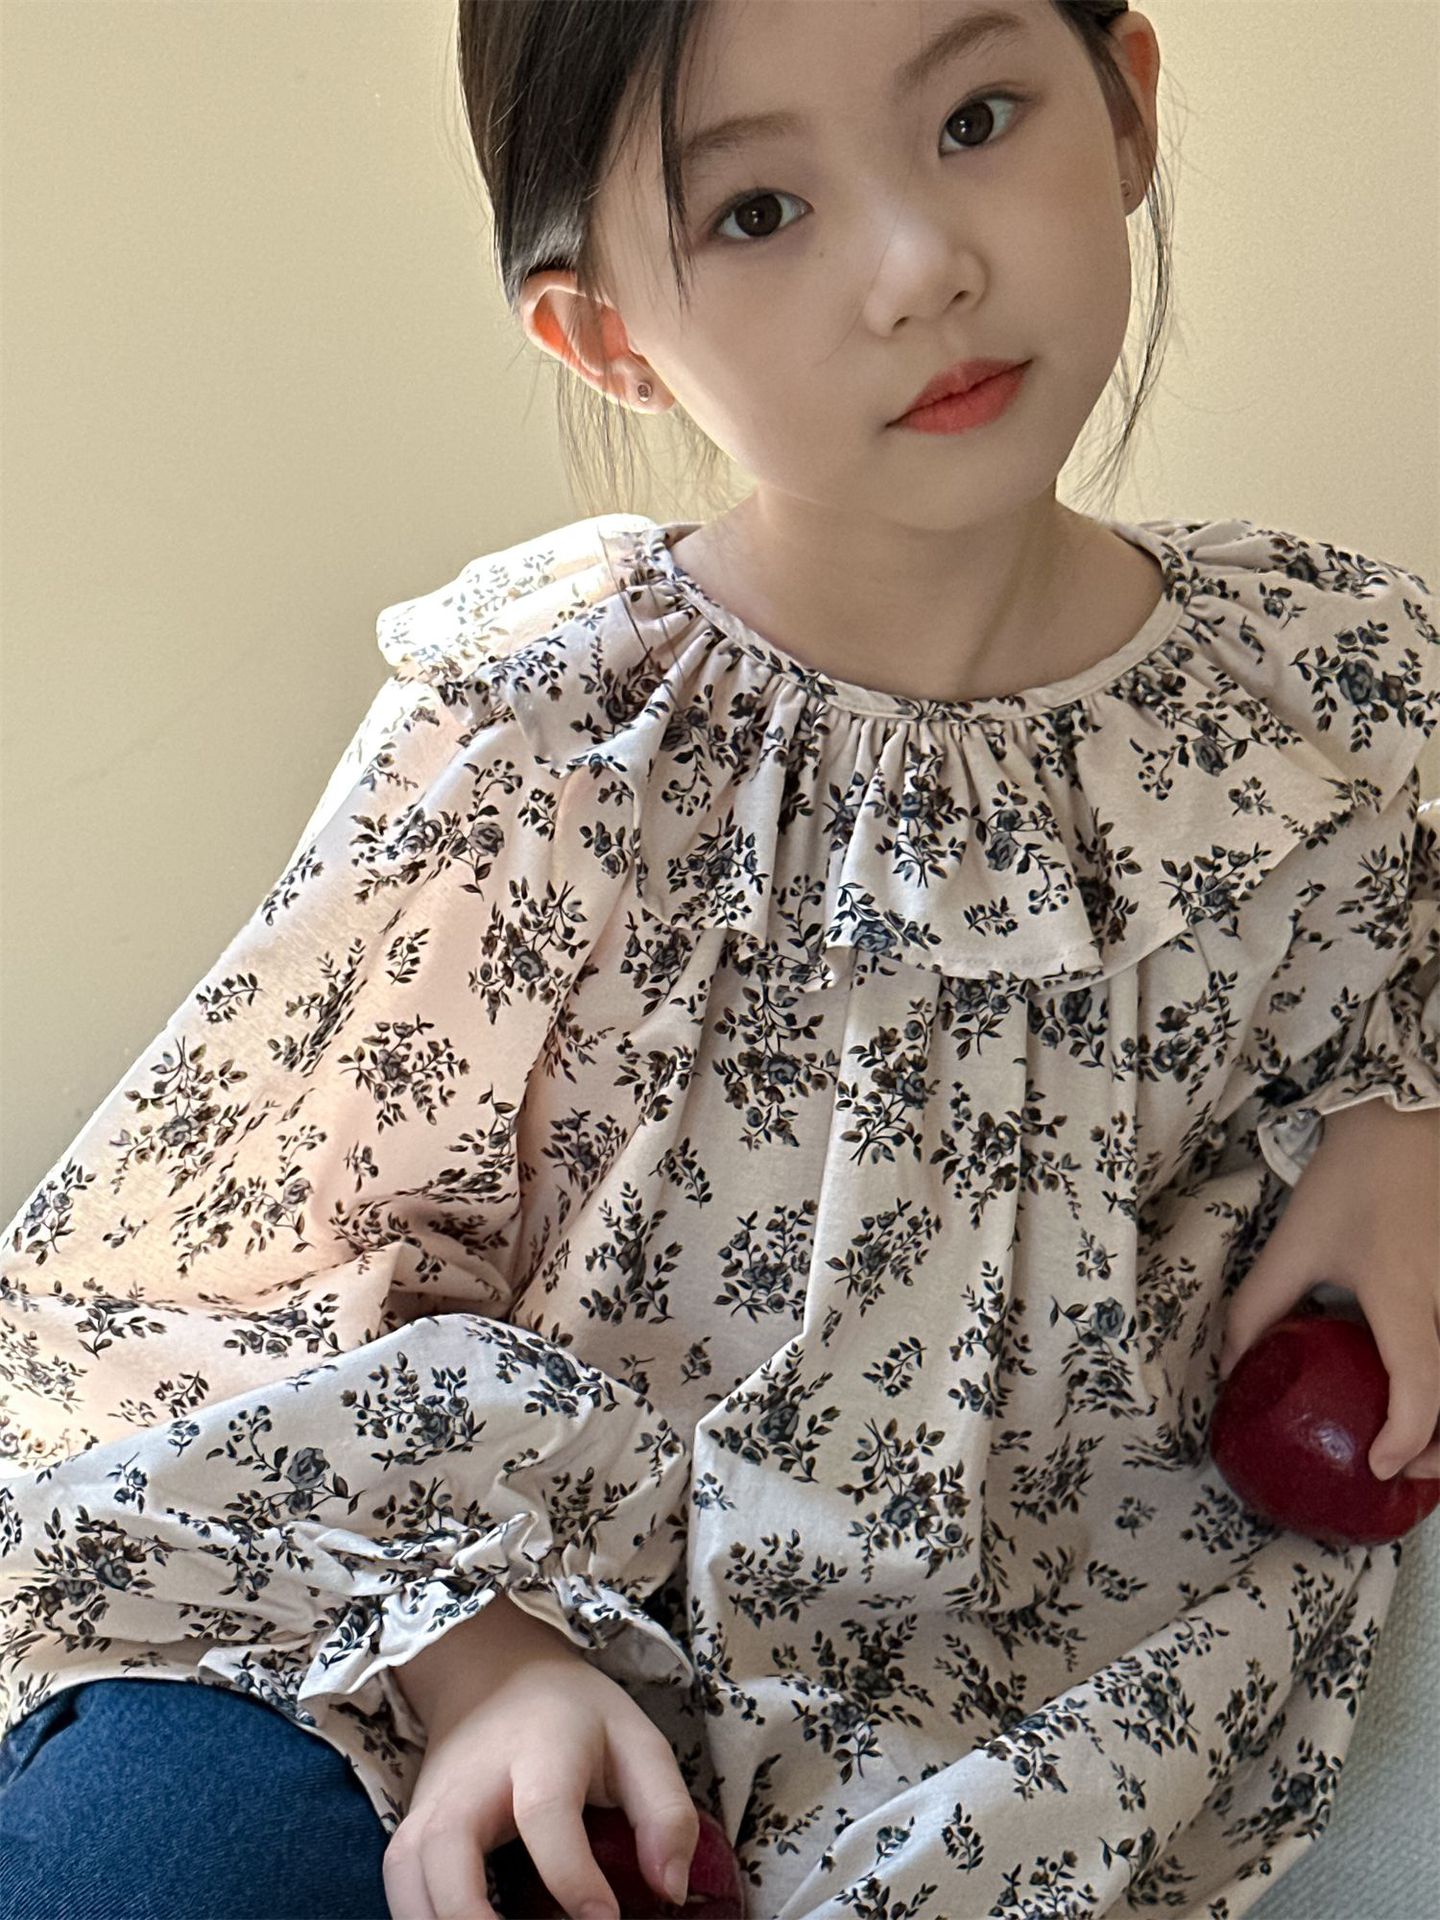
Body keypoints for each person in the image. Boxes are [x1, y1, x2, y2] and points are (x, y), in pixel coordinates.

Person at [2, 2, 1437, 1918]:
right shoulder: (546, 734)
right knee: (159, 1870)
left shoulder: (1333, 700)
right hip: (414, 1622)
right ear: (604, 331)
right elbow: (196, 1284)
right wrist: (484, 1660)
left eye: (979, 116)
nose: (919, 266)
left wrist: (1409, 1119)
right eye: (759, 212)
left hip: (982, 1741)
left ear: (1128, 104)